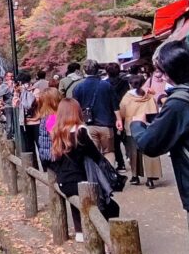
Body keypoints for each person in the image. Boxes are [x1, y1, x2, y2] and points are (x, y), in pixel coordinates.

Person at [130, 40, 189, 254]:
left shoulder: (178, 105)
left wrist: (136, 125)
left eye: (160, 71)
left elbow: (150, 144)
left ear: (170, 71)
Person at [50, 98, 121, 242]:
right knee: (111, 207)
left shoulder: (57, 131)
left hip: (63, 181)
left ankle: (80, 232)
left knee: (79, 202)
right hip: (81, 182)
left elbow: (55, 161)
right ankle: (106, 241)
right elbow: (95, 155)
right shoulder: (80, 132)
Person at [119, 74, 162, 187]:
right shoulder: (149, 97)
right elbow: (155, 112)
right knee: (149, 151)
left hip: (131, 126)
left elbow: (122, 113)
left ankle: (135, 176)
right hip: (148, 126)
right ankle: (151, 177)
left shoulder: (127, 98)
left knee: (134, 152)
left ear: (130, 84)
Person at [71, 59, 121, 155]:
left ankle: (98, 170)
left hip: (87, 125)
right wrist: (118, 120)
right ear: (98, 69)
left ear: (84, 71)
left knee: (94, 154)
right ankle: (109, 169)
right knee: (109, 152)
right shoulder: (107, 85)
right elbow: (115, 105)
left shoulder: (78, 87)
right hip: (106, 123)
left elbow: (75, 108)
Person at [106, 62, 130, 171]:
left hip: (111, 114)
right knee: (126, 138)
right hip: (125, 112)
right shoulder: (125, 83)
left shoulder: (105, 84)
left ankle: (121, 163)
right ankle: (130, 156)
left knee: (115, 141)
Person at [35, 87, 62, 170]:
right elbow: (55, 137)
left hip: (47, 155)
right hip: (53, 157)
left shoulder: (46, 116)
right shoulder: (52, 118)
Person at [15, 71, 40, 153]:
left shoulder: (35, 91)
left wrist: (25, 92)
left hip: (36, 122)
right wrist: (18, 94)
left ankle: (44, 164)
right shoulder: (18, 92)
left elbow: (29, 104)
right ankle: (32, 165)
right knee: (29, 147)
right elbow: (15, 104)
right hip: (24, 122)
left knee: (39, 145)